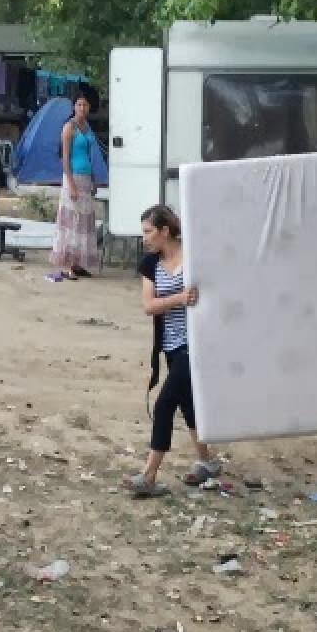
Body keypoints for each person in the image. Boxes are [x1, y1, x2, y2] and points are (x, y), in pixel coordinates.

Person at [123, 205, 217, 497]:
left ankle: (149, 476)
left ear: (165, 231)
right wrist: (179, 298)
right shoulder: (150, 264)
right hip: (171, 345)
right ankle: (207, 462)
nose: (144, 238)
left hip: (197, 344)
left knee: (164, 405)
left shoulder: (194, 256)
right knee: (188, 404)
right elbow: (148, 306)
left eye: (148, 232)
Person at [50, 95, 101, 278]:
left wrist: (94, 179)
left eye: (85, 104)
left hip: (86, 176)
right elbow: (65, 157)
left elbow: (90, 155)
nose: (82, 108)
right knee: (72, 219)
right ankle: (69, 263)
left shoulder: (87, 127)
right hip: (73, 176)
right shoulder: (69, 127)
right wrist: (71, 184)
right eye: (79, 104)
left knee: (84, 221)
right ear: (74, 107)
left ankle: (79, 263)